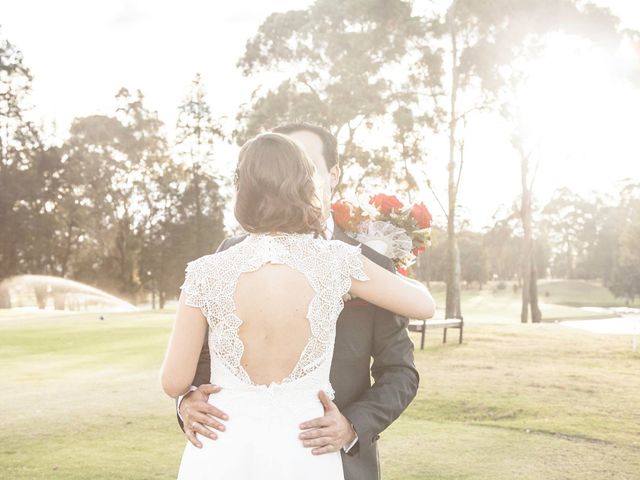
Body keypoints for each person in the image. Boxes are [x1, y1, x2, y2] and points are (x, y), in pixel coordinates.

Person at [161, 128, 435, 479]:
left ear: (240, 191)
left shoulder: (204, 272)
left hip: (224, 448)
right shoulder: (339, 262)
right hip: (305, 451)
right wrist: (187, 405)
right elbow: (424, 305)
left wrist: (183, 393)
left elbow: (174, 381)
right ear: (308, 188)